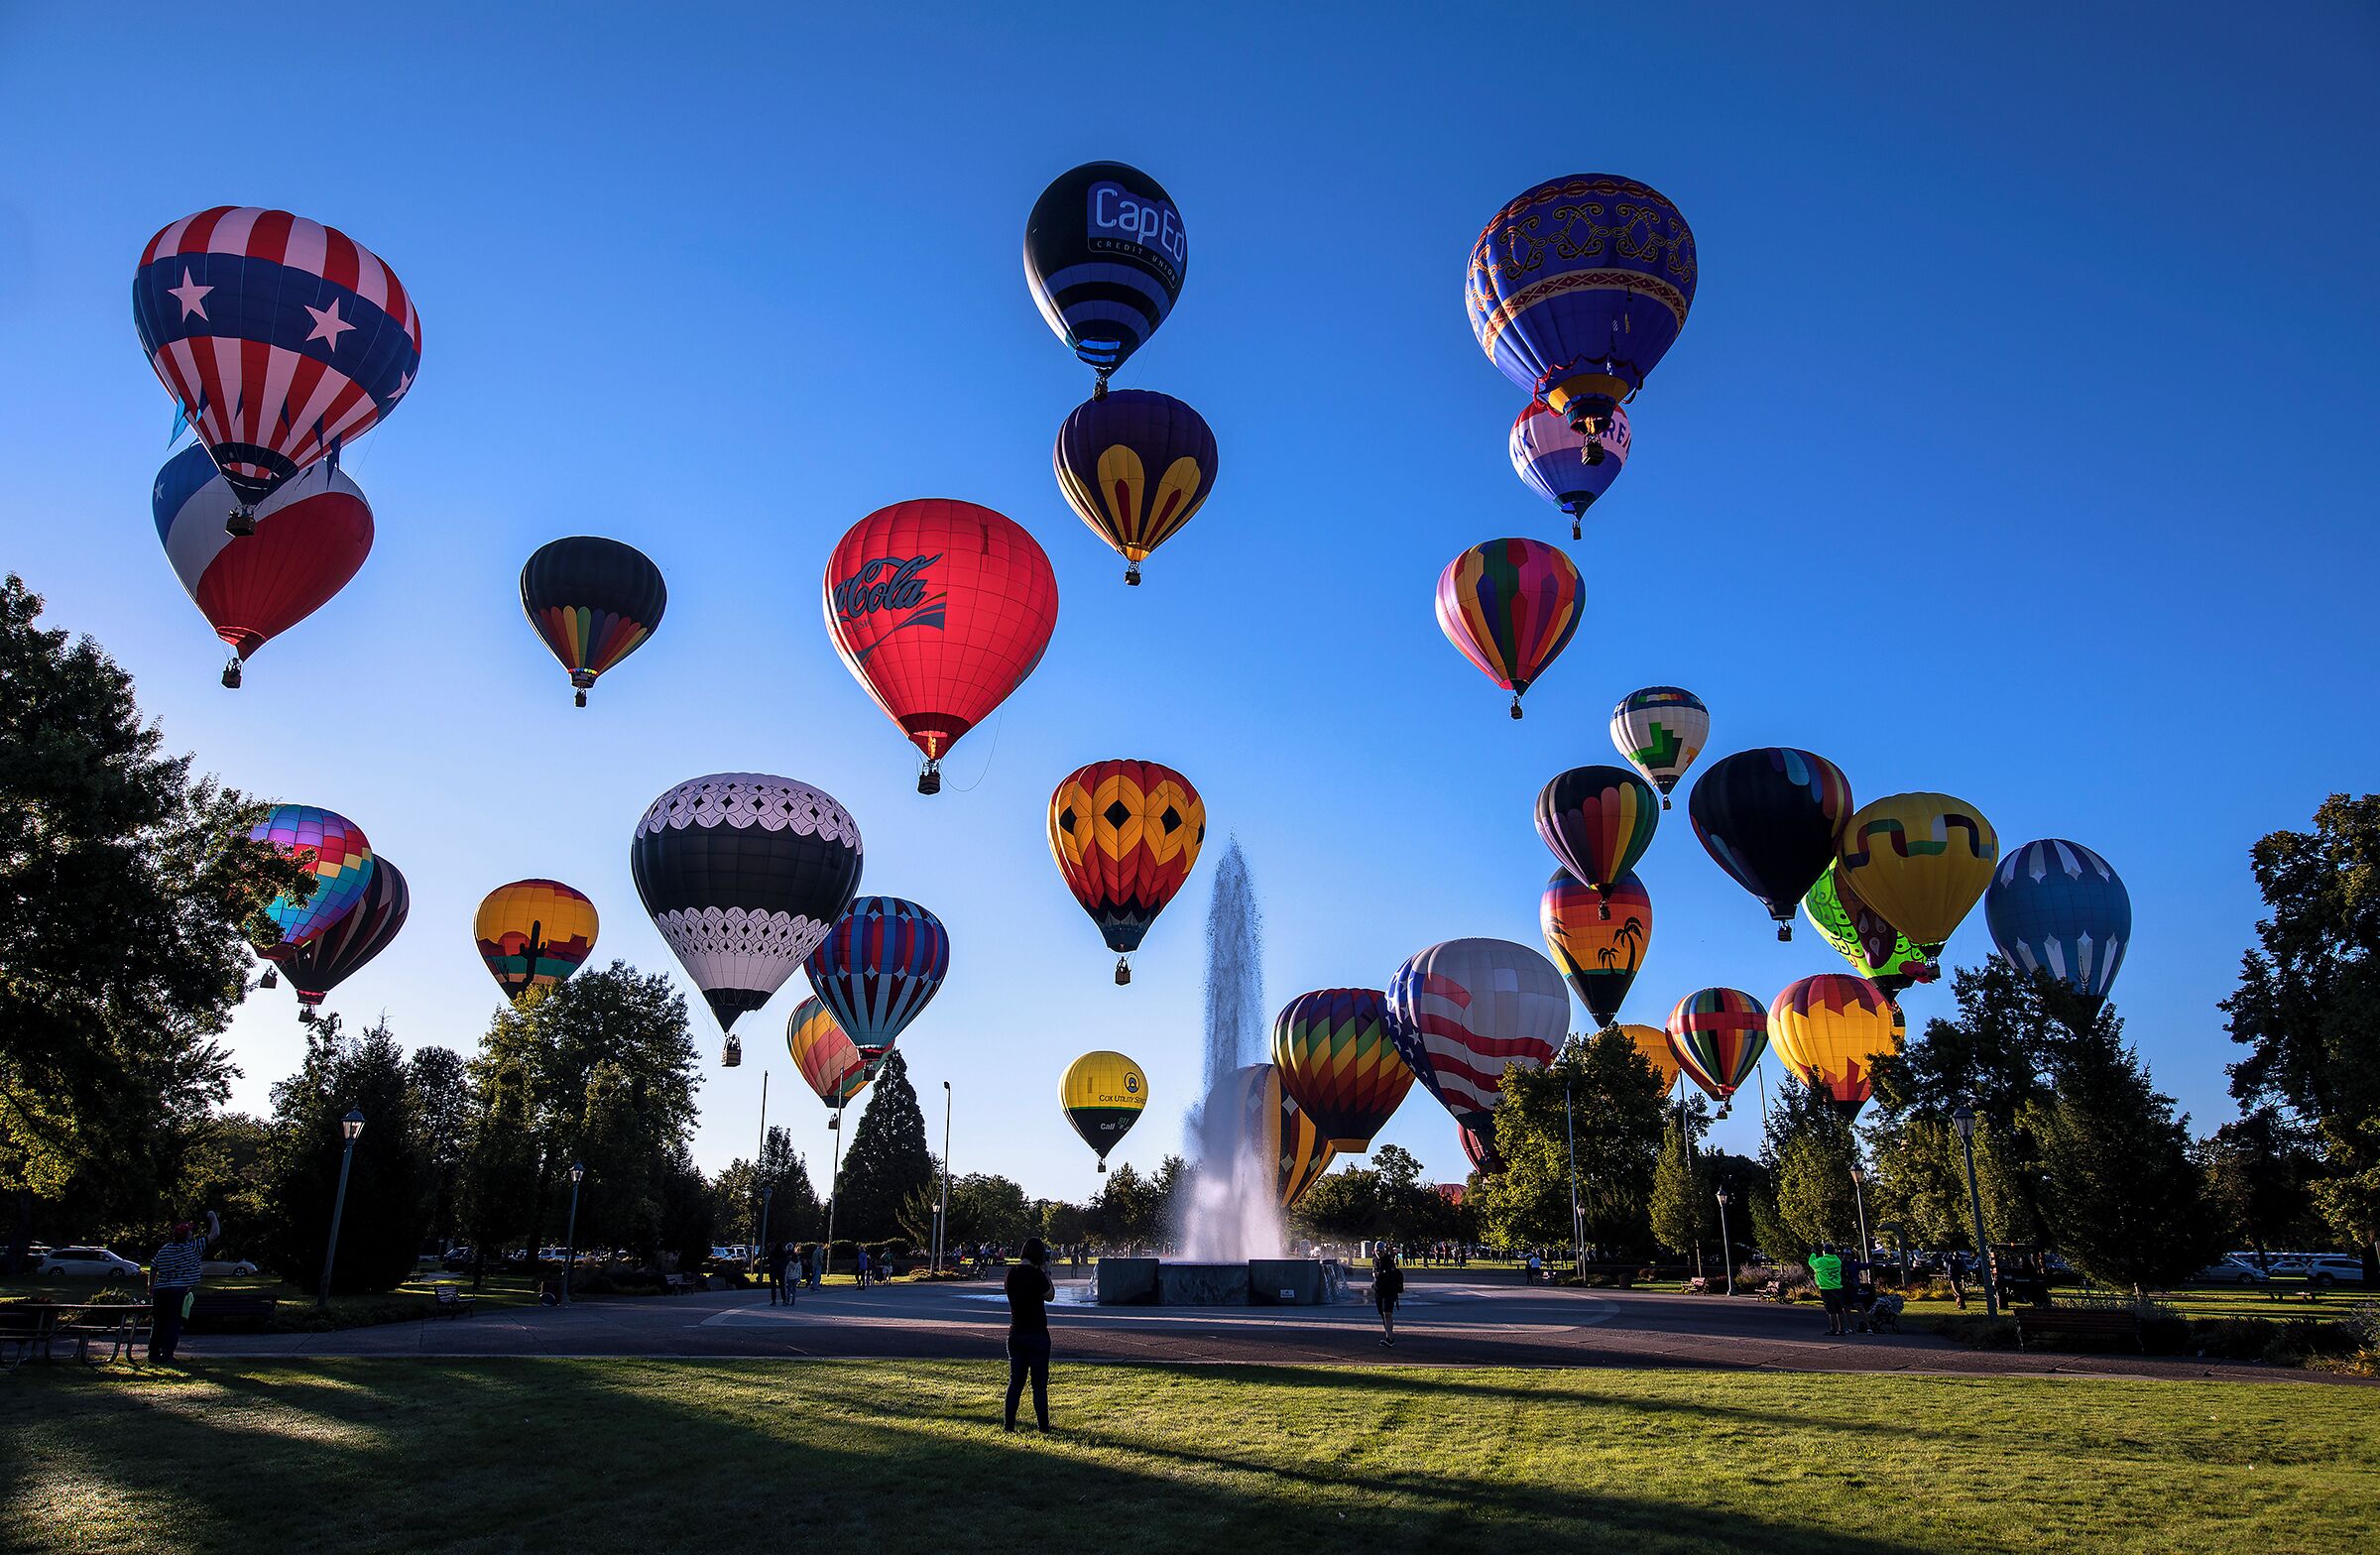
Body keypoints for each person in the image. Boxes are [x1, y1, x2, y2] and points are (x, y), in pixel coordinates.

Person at [148, 1210, 219, 1364]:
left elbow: (153, 1267)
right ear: (187, 1236)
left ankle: (153, 1354)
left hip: (160, 1291)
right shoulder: (193, 1247)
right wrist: (213, 1217)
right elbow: (215, 1234)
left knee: (158, 1322)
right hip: (177, 1291)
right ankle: (167, 1355)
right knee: (173, 1323)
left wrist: (151, 1286)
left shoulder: (165, 1249)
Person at [1003, 1237, 1057, 1432]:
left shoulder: (1011, 1273)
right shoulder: (1037, 1275)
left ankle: (1009, 1426)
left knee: (1015, 1384)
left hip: (1015, 1332)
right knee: (1039, 1386)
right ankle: (1043, 1427)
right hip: (1037, 1334)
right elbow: (1050, 1296)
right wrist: (1046, 1272)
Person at [1809, 1245, 1847, 1336]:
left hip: (1826, 1288)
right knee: (1839, 1309)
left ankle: (1833, 1329)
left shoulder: (1822, 1261)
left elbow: (1811, 1263)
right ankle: (1842, 1329)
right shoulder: (1837, 1261)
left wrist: (1813, 1253)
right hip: (1837, 1287)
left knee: (1831, 1310)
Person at [1371, 1245, 1405, 1348]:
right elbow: (1374, 1271)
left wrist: (1381, 1275)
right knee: (1382, 1314)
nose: (1378, 1253)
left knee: (1387, 1314)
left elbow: (1391, 1275)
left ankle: (1390, 1338)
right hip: (1379, 1290)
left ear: (1384, 1251)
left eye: (1380, 1251)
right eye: (1377, 1251)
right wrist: (1374, 1275)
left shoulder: (1388, 1261)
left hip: (1389, 1291)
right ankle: (1388, 1337)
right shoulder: (1375, 1260)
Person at [767, 1240, 791, 1305]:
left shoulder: (772, 1253)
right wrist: (783, 1266)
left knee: (773, 1286)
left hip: (773, 1271)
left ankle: (774, 1301)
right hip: (781, 1271)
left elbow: (768, 1261)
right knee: (782, 1286)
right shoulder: (783, 1253)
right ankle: (784, 1300)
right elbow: (787, 1261)